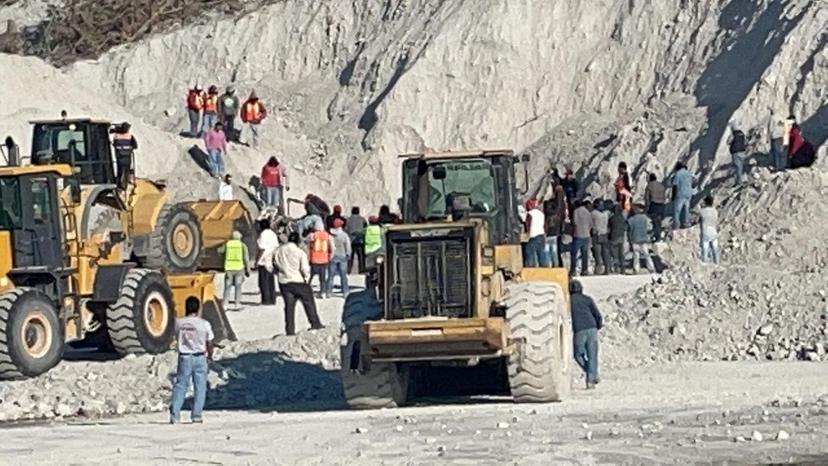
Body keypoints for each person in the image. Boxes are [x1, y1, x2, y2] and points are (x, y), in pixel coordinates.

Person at [169, 297, 214, 424]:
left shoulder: (179, 323)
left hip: (185, 356)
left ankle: (175, 415)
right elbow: (209, 342)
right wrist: (210, 356)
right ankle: (196, 415)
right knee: (200, 387)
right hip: (200, 356)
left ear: (186, 307)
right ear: (198, 308)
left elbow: (177, 335)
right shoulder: (204, 324)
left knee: (181, 385)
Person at [273, 232, 324, 336]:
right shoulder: (299, 252)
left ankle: (290, 330)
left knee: (289, 307)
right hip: (298, 280)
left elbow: (273, 264)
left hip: (284, 282)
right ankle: (315, 323)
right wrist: (306, 278)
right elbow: (305, 269)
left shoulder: (278, 251)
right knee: (308, 303)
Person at [570, 280, 602, 389]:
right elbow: (597, 314)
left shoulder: (568, 301)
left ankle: (590, 373)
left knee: (578, 355)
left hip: (579, 330)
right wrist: (598, 325)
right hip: (592, 328)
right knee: (593, 355)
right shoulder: (588, 299)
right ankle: (591, 379)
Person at [220, 231, 250, 310]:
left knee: (227, 286)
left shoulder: (228, 244)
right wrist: (248, 269)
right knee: (238, 286)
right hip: (239, 268)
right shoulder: (242, 245)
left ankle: (225, 304)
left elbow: (220, 251)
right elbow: (246, 258)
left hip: (229, 268)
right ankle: (237, 303)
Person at [542, 174, 567, 267]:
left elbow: (557, 205)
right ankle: (556, 265)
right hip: (556, 230)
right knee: (554, 249)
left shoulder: (551, 213)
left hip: (551, 231)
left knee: (548, 249)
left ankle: (550, 265)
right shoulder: (558, 209)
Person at [308, 220, 334, 298]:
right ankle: (323, 292)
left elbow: (307, 244)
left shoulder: (312, 235)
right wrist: (330, 256)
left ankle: (307, 290)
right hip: (324, 259)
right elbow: (332, 247)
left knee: (310, 276)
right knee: (322, 278)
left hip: (314, 259)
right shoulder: (327, 236)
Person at [256, 219, 279, 305]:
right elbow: (276, 247)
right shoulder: (273, 234)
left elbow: (261, 248)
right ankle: (272, 299)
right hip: (271, 259)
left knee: (263, 282)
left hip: (263, 260)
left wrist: (257, 260)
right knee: (271, 281)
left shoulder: (263, 234)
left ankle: (266, 300)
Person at [627, 206, 655, 274]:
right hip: (644, 239)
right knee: (647, 255)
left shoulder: (631, 219)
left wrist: (630, 240)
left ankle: (636, 270)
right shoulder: (645, 218)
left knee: (636, 256)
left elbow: (629, 230)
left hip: (635, 239)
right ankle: (651, 268)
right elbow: (650, 228)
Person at [328, 218, 351, 296]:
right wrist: (348, 254)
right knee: (343, 276)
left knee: (331, 276)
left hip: (333, 256)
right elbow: (348, 246)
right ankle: (345, 292)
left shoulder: (330, 235)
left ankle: (329, 292)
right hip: (342, 256)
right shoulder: (344, 235)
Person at [111, 122, 137, 189]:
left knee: (120, 171)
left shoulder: (116, 136)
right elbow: (135, 146)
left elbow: (114, 144)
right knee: (126, 171)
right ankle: (124, 186)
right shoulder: (130, 136)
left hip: (119, 157)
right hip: (127, 157)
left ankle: (119, 185)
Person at [524, 198, 549, 267]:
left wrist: (527, 233)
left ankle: (530, 268)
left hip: (534, 236)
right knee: (541, 254)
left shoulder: (530, 214)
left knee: (529, 251)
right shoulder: (541, 214)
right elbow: (545, 225)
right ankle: (544, 268)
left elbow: (527, 225)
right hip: (541, 235)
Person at [570, 199, 593, 276]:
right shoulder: (588, 212)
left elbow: (574, 222)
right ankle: (584, 270)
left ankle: (573, 270)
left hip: (578, 234)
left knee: (574, 254)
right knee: (585, 254)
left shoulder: (576, 211)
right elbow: (591, 224)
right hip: (586, 235)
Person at [643, 173, 667, 241]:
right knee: (659, 221)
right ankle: (658, 233)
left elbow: (647, 198)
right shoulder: (661, 185)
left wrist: (646, 208)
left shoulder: (649, 186)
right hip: (662, 205)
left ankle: (657, 236)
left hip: (654, 205)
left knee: (655, 221)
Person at [590, 200, 611, 275]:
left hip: (597, 234)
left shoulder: (593, 213)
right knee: (605, 252)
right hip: (604, 234)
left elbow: (591, 224)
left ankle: (599, 269)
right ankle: (607, 268)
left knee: (598, 253)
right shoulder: (607, 213)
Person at [670, 162, 693, 230]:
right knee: (686, 209)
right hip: (688, 194)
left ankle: (676, 224)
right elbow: (693, 183)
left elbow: (675, 185)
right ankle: (686, 223)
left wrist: (673, 196)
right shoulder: (689, 173)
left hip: (680, 194)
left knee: (677, 210)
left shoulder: (678, 173)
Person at [698, 195, 720, 264]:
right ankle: (717, 261)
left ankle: (705, 261)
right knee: (715, 248)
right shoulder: (715, 211)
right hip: (713, 231)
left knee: (705, 247)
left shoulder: (702, 211)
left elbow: (697, 218)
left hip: (706, 232)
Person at [346, 206, 367, 273]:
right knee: (361, 257)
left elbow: (346, 229)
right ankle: (362, 270)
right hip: (360, 240)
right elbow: (365, 228)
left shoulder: (348, 219)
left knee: (350, 257)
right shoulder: (362, 219)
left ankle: (348, 270)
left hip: (351, 240)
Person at [608, 203, 627, 273]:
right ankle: (623, 269)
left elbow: (609, 228)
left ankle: (616, 268)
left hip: (614, 237)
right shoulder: (622, 218)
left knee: (615, 254)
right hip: (621, 237)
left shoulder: (612, 218)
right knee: (621, 254)